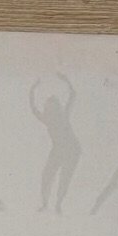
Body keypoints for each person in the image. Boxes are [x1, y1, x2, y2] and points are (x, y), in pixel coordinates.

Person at [30, 74, 81, 214]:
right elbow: (33, 109)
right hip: (58, 149)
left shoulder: (62, 115)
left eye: (52, 106)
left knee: (64, 177)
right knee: (47, 175)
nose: (49, 108)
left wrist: (67, 80)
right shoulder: (47, 119)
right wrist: (32, 90)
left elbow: (73, 95)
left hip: (72, 150)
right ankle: (46, 204)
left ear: (56, 107)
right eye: (48, 106)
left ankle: (58, 204)